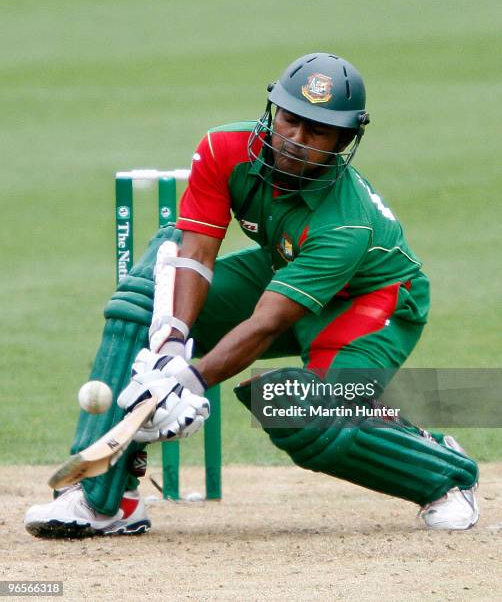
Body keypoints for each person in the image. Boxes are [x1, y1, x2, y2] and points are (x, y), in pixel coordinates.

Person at [25, 52, 479, 538]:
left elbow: (267, 322)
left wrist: (189, 382)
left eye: (317, 132)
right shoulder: (224, 148)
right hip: (288, 268)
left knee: (297, 410)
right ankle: (100, 501)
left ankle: (444, 470)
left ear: (344, 140)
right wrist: (171, 343)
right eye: (290, 120)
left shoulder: (345, 223)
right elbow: (193, 253)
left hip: (372, 298)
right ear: (272, 111)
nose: (295, 141)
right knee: (147, 297)